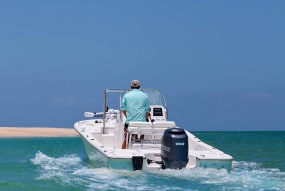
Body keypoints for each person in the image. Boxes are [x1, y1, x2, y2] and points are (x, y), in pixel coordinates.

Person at [121, 80, 150, 149]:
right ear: (139, 86)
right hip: (142, 123)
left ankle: (124, 152)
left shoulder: (126, 95)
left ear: (131, 87)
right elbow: (147, 110)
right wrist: (146, 118)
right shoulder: (145, 95)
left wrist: (128, 117)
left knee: (126, 139)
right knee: (140, 138)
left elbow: (123, 109)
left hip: (130, 122)